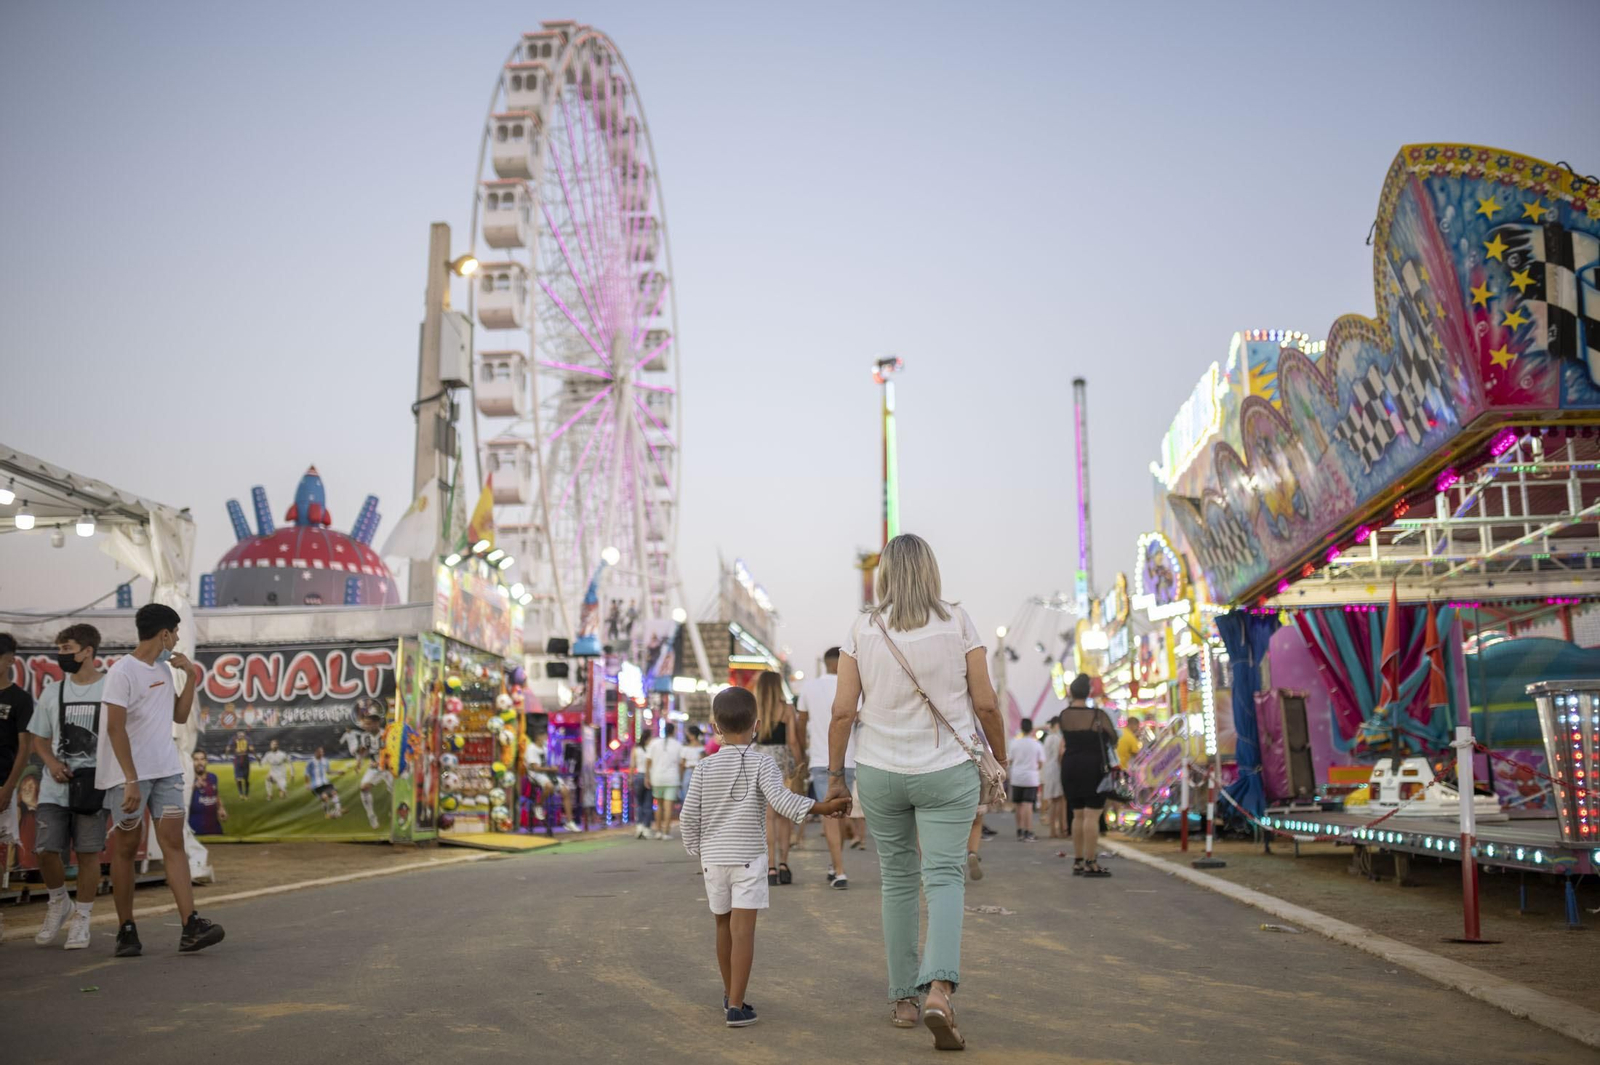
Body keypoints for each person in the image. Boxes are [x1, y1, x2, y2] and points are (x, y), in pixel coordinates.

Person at [824, 533, 1008, 1049]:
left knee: (897, 880)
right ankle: (940, 989)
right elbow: (987, 703)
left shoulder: (863, 626)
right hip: (946, 769)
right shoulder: (957, 621)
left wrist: (836, 775)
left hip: (879, 770)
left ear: (884, 574)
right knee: (944, 876)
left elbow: (842, 711)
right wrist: (1001, 757)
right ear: (931, 571)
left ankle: (904, 998)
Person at [680, 685, 849, 1028]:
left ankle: (730, 994)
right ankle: (737, 1006)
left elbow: (688, 817)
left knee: (723, 926)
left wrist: (696, 849)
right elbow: (784, 803)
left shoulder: (703, 768)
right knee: (744, 932)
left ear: (715, 727)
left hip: (714, 860)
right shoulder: (763, 764)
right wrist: (823, 807)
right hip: (748, 858)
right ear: (756, 725)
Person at [101, 603, 225, 955]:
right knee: (125, 849)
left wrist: (192, 678)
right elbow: (114, 727)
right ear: (165, 634)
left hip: (166, 771)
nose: (179, 638)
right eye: (177, 632)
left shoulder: (164, 669)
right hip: (129, 776)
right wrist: (129, 778)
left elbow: (180, 714)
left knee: (173, 843)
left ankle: (190, 925)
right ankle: (126, 928)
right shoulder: (122, 671)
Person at [27, 624, 108, 949]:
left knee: (88, 854)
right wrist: (51, 763)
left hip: (93, 786)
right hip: (54, 788)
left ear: (87, 651)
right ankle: (59, 902)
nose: (61, 656)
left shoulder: (110, 688)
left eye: (67, 649)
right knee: (46, 851)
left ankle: (82, 919)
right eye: (59, 650)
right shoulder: (52, 691)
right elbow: (39, 739)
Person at [797, 646, 858, 888]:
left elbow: (801, 722)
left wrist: (803, 751)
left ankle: (839, 869)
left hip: (821, 759)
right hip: (849, 758)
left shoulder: (809, 687)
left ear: (825, 663)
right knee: (839, 814)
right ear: (839, 664)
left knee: (831, 816)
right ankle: (837, 866)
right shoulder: (852, 686)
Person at [1059, 673, 1117, 877]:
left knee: (1077, 814)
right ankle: (1091, 862)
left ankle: (1077, 860)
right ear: (1089, 692)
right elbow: (1113, 738)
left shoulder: (1064, 715)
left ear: (1071, 692)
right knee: (1092, 815)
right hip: (1093, 767)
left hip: (1070, 766)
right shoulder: (1098, 715)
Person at [0, 631, 37, 941]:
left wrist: (9, 787)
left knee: (0, 851)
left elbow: (24, 749)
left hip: (2, 783)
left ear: (10, 660)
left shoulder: (20, 699)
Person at [753, 671, 801, 886]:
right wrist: (800, 763)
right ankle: (784, 865)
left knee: (768, 818)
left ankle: (770, 867)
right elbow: (792, 740)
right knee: (785, 817)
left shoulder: (754, 709)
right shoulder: (787, 709)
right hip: (782, 763)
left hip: (759, 762)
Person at [1007, 718, 1044, 841]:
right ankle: (1029, 831)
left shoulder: (1014, 743)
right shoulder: (1036, 744)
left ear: (1021, 728)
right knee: (1028, 804)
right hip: (1031, 777)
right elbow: (1040, 763)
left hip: (1017, 777)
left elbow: (1010, 760)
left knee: (1018, 805)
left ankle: (1020, 830)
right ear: (1032, 728)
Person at [644, 725, 684, 840]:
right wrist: (680, 778)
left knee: (659, 805)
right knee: (668, 807)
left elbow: (648, 761)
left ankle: (658, 831)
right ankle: (666, 832)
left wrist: (647, 776)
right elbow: (681, 763)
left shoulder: (654, 743)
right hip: (672, 778)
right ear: (673, 731)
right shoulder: (677, 745)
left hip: (657, 778)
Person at [188, 750, 227, 835]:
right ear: (191, 762)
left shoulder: (213, 777)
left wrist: (220, 808)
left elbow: (216, 794)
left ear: (206, 761)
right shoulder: (187, 780)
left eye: (202, 759)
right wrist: (194, 786)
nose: (199, 762)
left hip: (214, 828)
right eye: (196, 759)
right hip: (195, 829)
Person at [1041, 716, 1066, 838]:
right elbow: (1060, 755)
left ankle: (1054, 830)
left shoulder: (1048, 738)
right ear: (1057, 725)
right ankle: (1059, 829)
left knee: (1053, 801)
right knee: (1059, 800)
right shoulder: (1057, 738)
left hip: (1048, 770)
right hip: (1056, 770)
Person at [304, 745, 342, 818]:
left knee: (334, 793)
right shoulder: (310, 762)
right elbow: (306, 773)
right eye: (320, 752)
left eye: (322, 752)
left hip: (326, 783)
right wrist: (307, 783)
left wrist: (337, 772)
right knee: (325, 797)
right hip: (316, 785)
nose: (321, 753)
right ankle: (327, 813)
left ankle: (339, 810)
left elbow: (328, 771)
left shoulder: (325, 761)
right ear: (316, 752)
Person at [631, 733, 653, 839]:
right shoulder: (651, 749)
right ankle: (646, 828)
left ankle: (639, 826)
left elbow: (632, 765)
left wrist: (630, 778)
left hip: (638, 776)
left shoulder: (636, 749)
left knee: (639, 803)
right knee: (648, 804)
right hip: (649, 777)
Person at [681, 726, 705, 799]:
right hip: (697, 770)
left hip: (689, 770)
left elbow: (682, 763)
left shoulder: (686, 748)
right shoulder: (702, 748)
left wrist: (681, 775)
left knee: (686, 790)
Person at [228, 730, 253, 797]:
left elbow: (251, 748)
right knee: (238, 778)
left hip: (245, 759)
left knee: (246, 779)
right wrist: (227, 751)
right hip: (237, 759)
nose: (240, 735)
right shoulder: (233, 738)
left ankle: (246, 794)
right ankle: (241, 793)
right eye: (238, 733)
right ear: (237, 734)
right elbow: (228, 746)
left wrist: (252, 750)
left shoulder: (247, 739)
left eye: (241, 733)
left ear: (244, 733)